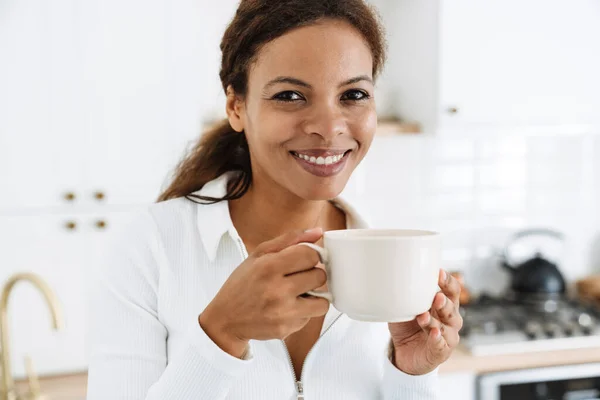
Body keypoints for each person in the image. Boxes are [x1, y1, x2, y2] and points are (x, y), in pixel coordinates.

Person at [86, 0, 463, 398]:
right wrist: (223, 334)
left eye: (353, 94)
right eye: (289, 96)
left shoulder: (392, 247)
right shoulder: (152, 246)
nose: (329, 127)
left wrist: (412, 373)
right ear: (236, 106)